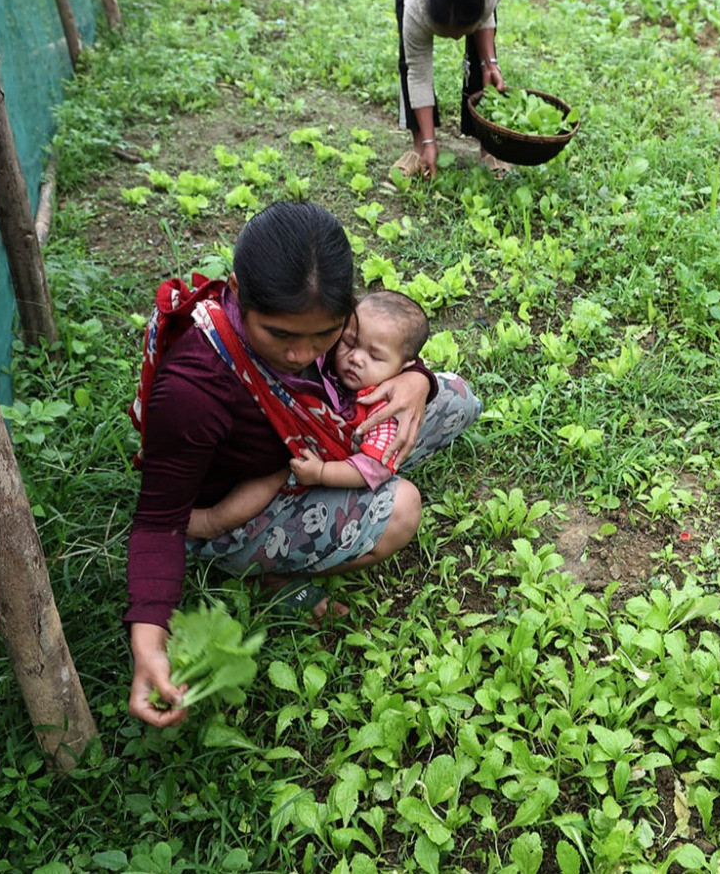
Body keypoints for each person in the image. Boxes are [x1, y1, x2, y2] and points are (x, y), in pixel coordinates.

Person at [125, 203, 481, 727]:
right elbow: (158, 521)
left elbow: (391, 358)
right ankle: (274, 576)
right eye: (281, 335)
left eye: (326, 335)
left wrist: (416, 381)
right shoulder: (196, 388)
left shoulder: (324, 330)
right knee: (401, 507)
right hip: (236, 507)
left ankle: (355, 461)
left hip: (311, 442)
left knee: (454, 398)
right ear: (239, 292)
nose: (300, 354)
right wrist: (149, 640)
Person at [391, 0, 511, 179]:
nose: (457, 39)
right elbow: (419, 73)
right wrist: (433, 144)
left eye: (463, 30)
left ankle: (488, 146)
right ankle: (422, 146)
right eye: (449, 33)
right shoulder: (416, 6)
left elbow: (486, 19)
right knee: (408, 61)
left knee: (482, 65)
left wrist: (490, 63)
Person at [290, 289, 430, 490]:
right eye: (349, 342)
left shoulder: (388, 413)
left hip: (336, 469)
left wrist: (322, 473)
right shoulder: (328, 349)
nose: (356, 358)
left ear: (404, 367)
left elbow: (372, 468)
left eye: (375, 357)